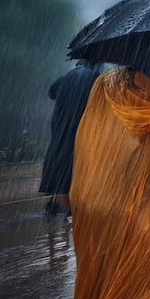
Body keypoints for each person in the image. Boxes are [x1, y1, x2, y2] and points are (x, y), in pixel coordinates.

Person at [70, 67, 150, 299]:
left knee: (100, 274)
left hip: (90, 196)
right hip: (129, 199)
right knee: (138, 281)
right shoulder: (142, 81)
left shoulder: (102, 84)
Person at [40, 60, 101, 215]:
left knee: (57, 157)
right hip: (80, 125)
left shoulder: (67, 76)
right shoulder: (94, 77)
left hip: (60, 125)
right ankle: (72, 205)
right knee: (78, 162)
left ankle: (53, 201)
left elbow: (51, 93)